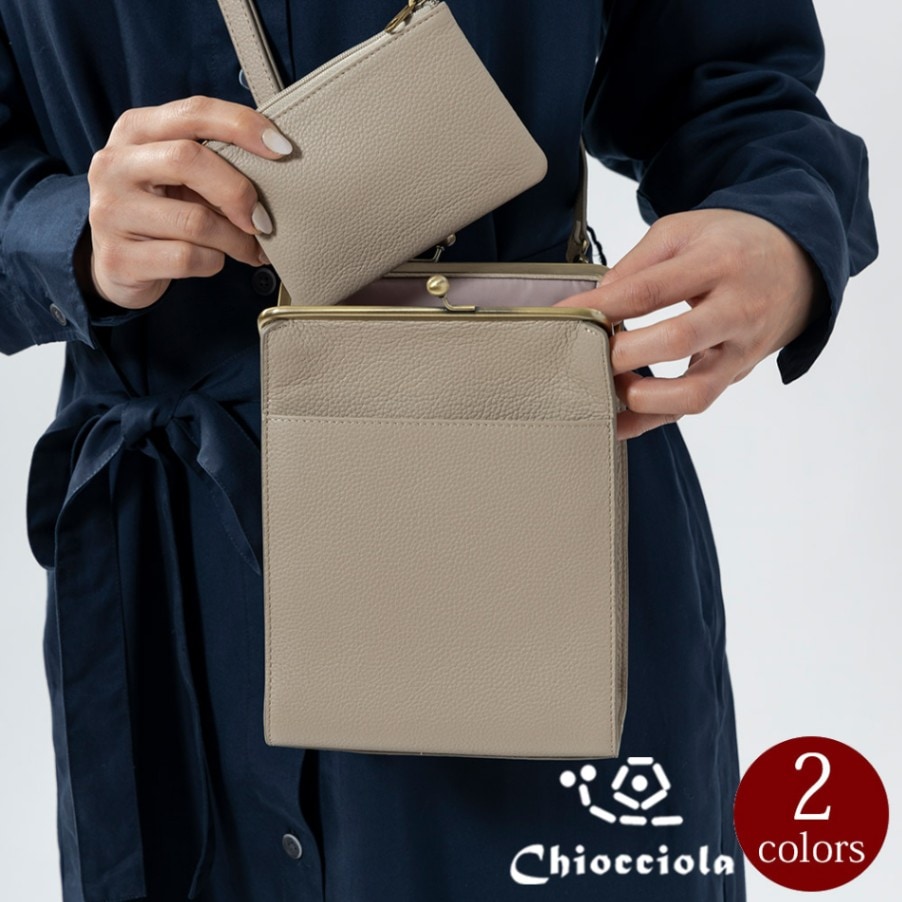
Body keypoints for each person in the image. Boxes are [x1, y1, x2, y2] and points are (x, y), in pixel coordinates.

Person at [0, 1, 876, 900]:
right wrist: (70, 232)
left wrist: (780, 227)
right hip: (168, 584)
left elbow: (729, 82)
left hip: (524, 511)